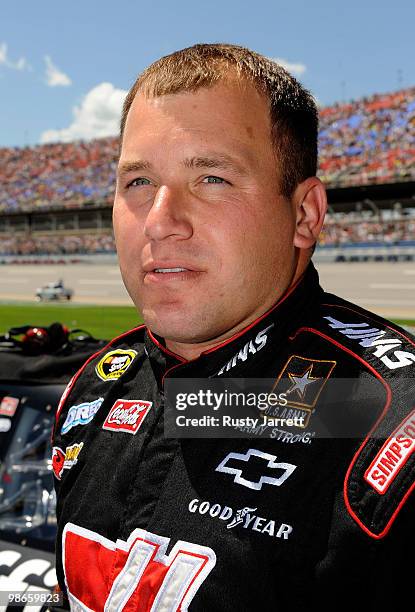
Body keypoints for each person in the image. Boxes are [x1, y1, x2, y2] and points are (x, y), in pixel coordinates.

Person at [52, 43, 415, 610]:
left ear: (304, 215)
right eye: (138, 183)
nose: (160, 222)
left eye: (213, 178)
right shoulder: (94, 386)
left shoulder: (387, 422)